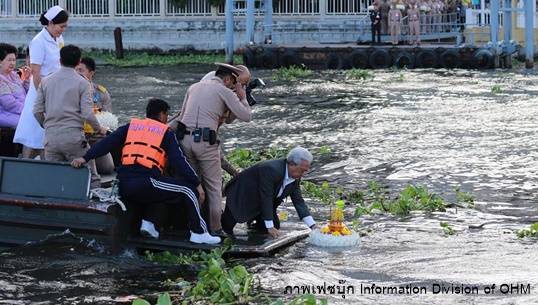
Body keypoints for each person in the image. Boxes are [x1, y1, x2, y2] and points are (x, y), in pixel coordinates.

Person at [71, 98, 221, 244]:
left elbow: (106, 144)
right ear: (162, 115)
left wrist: (85, 158)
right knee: (187, 190)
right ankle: (199, 233)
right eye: (166, 115)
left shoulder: (131, 126)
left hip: (124, 185)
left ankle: (149, 224)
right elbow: (179, 162)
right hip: (145, 182)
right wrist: (196, 183)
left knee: (162, 187)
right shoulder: (165, 133)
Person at [170, 63, 252, 235]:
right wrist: (243, 97)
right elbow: (246, 116)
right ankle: (216, 230)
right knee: (214, 189)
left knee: (192, 184)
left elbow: (182, 116)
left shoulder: (193, 87)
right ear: (228, 79)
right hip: (206, 143)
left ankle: (191, 226)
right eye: (233, 83)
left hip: (185, 140)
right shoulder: (224, 91)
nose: (233, 86)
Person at [33, 45, 106, 188]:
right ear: (79, 62)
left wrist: (47, 125)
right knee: (92, 178)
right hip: (73, 138)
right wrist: (99, 129)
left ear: (60, 61)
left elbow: (36, 111)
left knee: (53, 179)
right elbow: (87, 114)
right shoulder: (83, 83)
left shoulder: (46, 81)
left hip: (50, 138)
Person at [222, 147, 317, 238]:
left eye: (306, 171)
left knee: (274, 226)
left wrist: (313, 226)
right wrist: (270, 227)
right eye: (302, 170)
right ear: (292, 164)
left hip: (263, 201)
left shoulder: (295, 176)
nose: (304, 174)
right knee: (226, 227)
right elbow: (266, 196)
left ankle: (253, 224)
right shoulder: (271, 169)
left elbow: (298, 201)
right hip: (242, 195)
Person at [14, 5, 68, 159]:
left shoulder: (58, 38)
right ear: (50, 23)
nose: (63, 29)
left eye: (65, 26)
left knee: (46, 132)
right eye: (61, 26)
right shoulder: (38, 41)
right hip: (40, 89)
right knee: (33, 132)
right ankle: (25, 166)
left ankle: (45, 165)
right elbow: (36, 73)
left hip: (56, 88)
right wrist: (43, 95)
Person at [76, 57, 115, 175]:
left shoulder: (101, 93)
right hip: (76, 136)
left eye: (81, 70)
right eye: (75, 70)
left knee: (107, 168)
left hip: (96, 137)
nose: (77, 74)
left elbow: (108, 119)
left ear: (91, 73)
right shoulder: (70, 90)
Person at [0, 43, 30, 128]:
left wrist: (27, 79)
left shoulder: (15, 75)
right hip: (5, 114)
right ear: (0, 61)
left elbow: (26, 94)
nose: (12, 63)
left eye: (14, 60)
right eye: (9, 60)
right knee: (29, 123)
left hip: (19, 111)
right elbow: (9, 104)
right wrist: (28, 111)